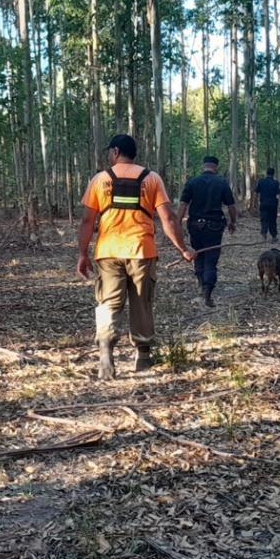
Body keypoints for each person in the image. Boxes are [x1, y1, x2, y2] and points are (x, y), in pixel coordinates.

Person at [77, 134, 195, 380]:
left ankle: (106, 352)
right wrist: (183, 248)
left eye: (110, 151)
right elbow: (168, 218)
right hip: (142, 250)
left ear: (116, 152)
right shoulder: (151, 179)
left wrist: (82, 253)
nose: (110, 155)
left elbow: (88, 220)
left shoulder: (100, 180)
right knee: (142, 301)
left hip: (108, 252)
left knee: (109, 302)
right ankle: (143, 356)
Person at [178, 156, 237, 308]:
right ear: (216, 167)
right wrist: (233, 222)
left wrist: (178, 223)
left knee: (197, 254)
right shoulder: (222, 183)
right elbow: (231, 205)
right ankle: (207, 291)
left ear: (203, 166)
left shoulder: (192, 182)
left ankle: (201, 282)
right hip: (215, 227)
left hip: (195, 225)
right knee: (211, 259)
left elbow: (183, 204)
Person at [255, 167, 280, 243]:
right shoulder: (276, 183)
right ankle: (274, 236)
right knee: (272, 220)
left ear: (266, 173)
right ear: (273, 174)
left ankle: (264, 235)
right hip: (273, 204)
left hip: (263, 203)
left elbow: (256, 192)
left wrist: (254, 203)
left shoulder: (261, 181)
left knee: (264, 219)